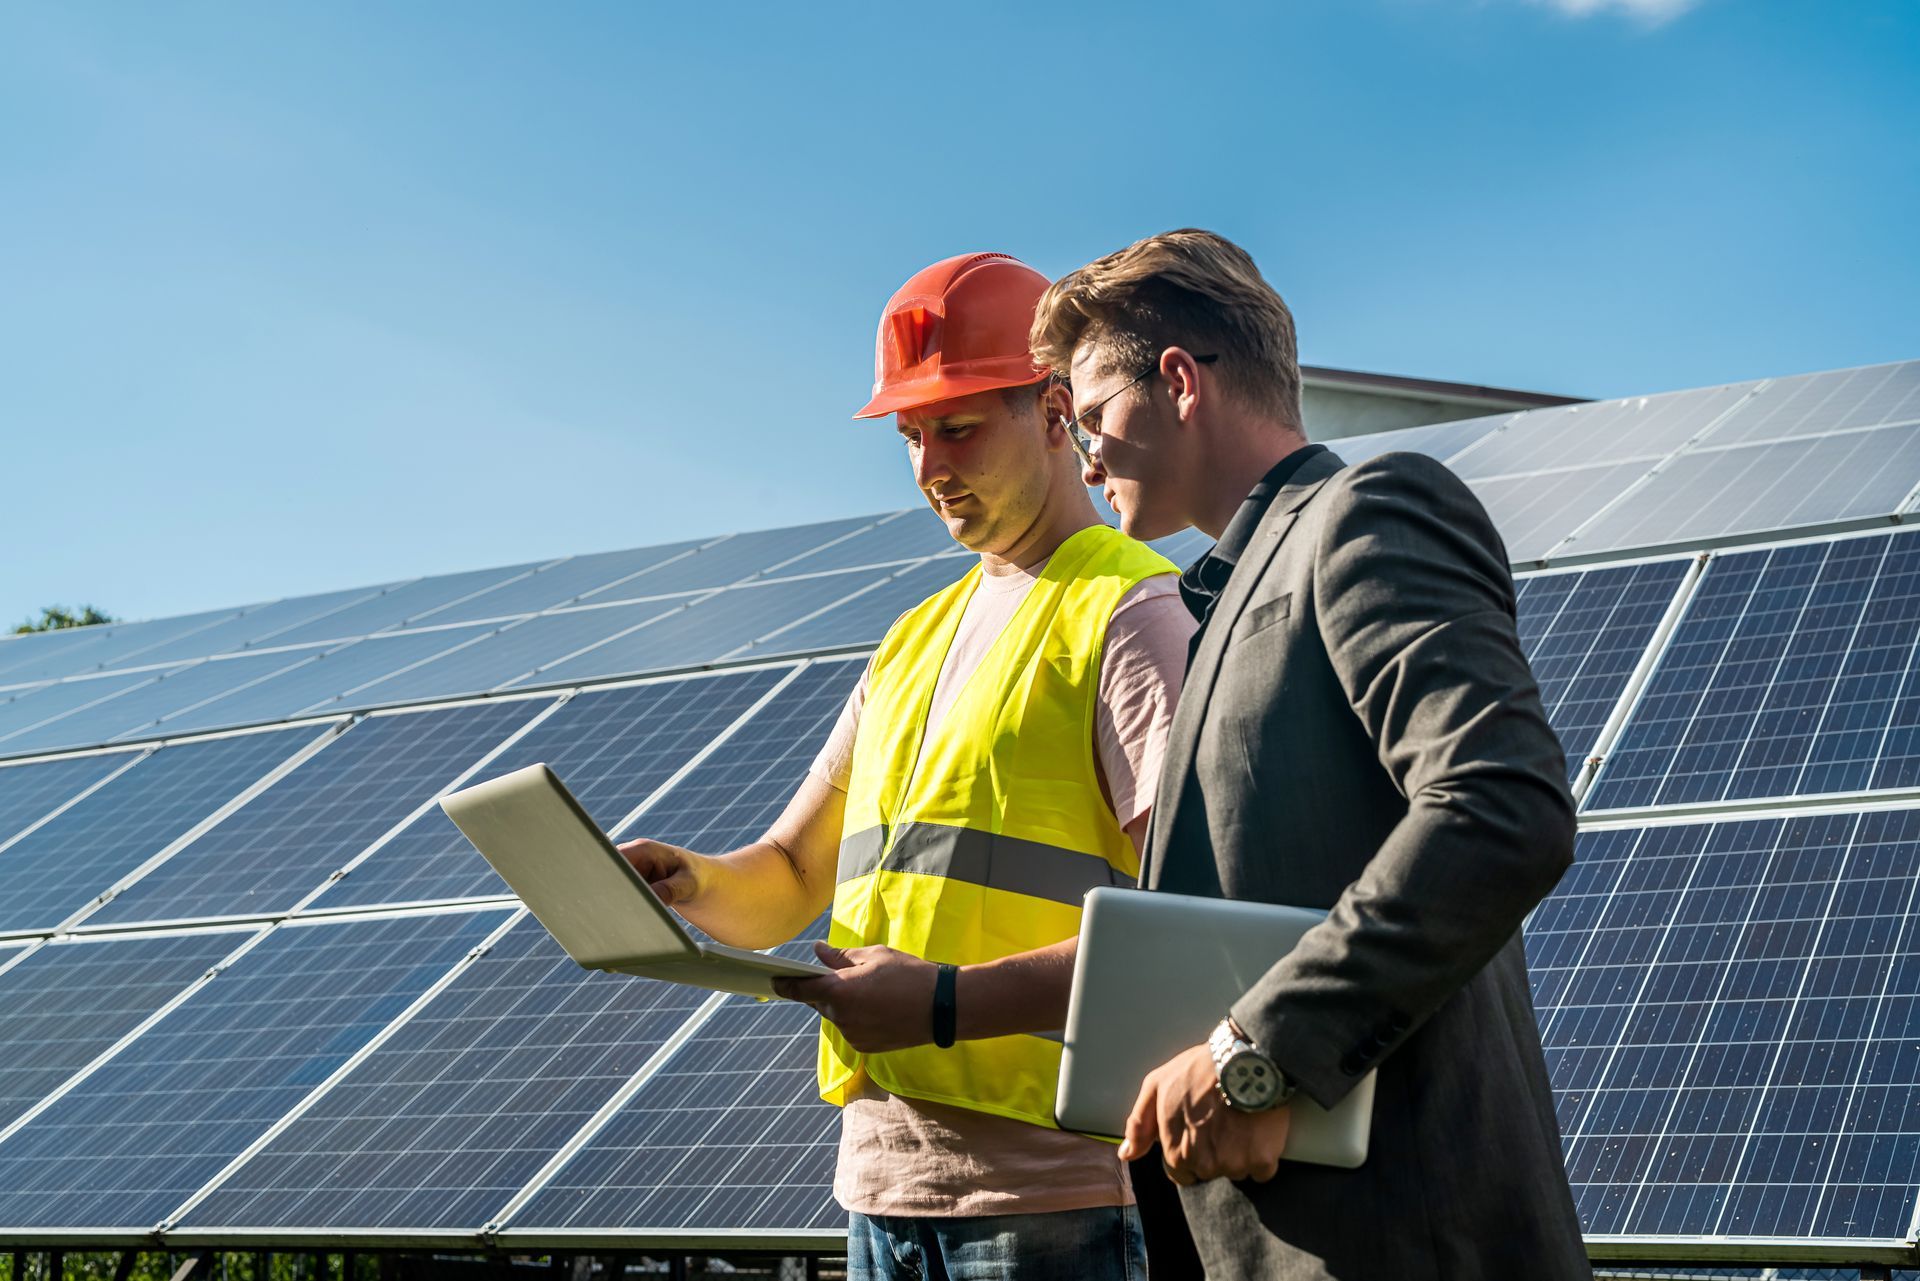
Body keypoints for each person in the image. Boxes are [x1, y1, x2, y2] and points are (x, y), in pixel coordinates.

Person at [619, 251, 1195, 1279]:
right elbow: (791, 875)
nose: (930, 467)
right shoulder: (910, 641)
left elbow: (1187, 932)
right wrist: (687, 883)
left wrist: (942, 1000)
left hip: (1055, 1195)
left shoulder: (1131, 614)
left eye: (958, 427)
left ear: (1054, 410)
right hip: (878, 1190)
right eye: (911, 437)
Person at [1028, 229, 1588, 1279]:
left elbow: (1500, 804)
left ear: (1180, 382)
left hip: (1404, 1239)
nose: (1084, 457)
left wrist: (1259, 1052)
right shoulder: (1223, 598)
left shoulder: (1366, 513)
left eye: (1093, 417)